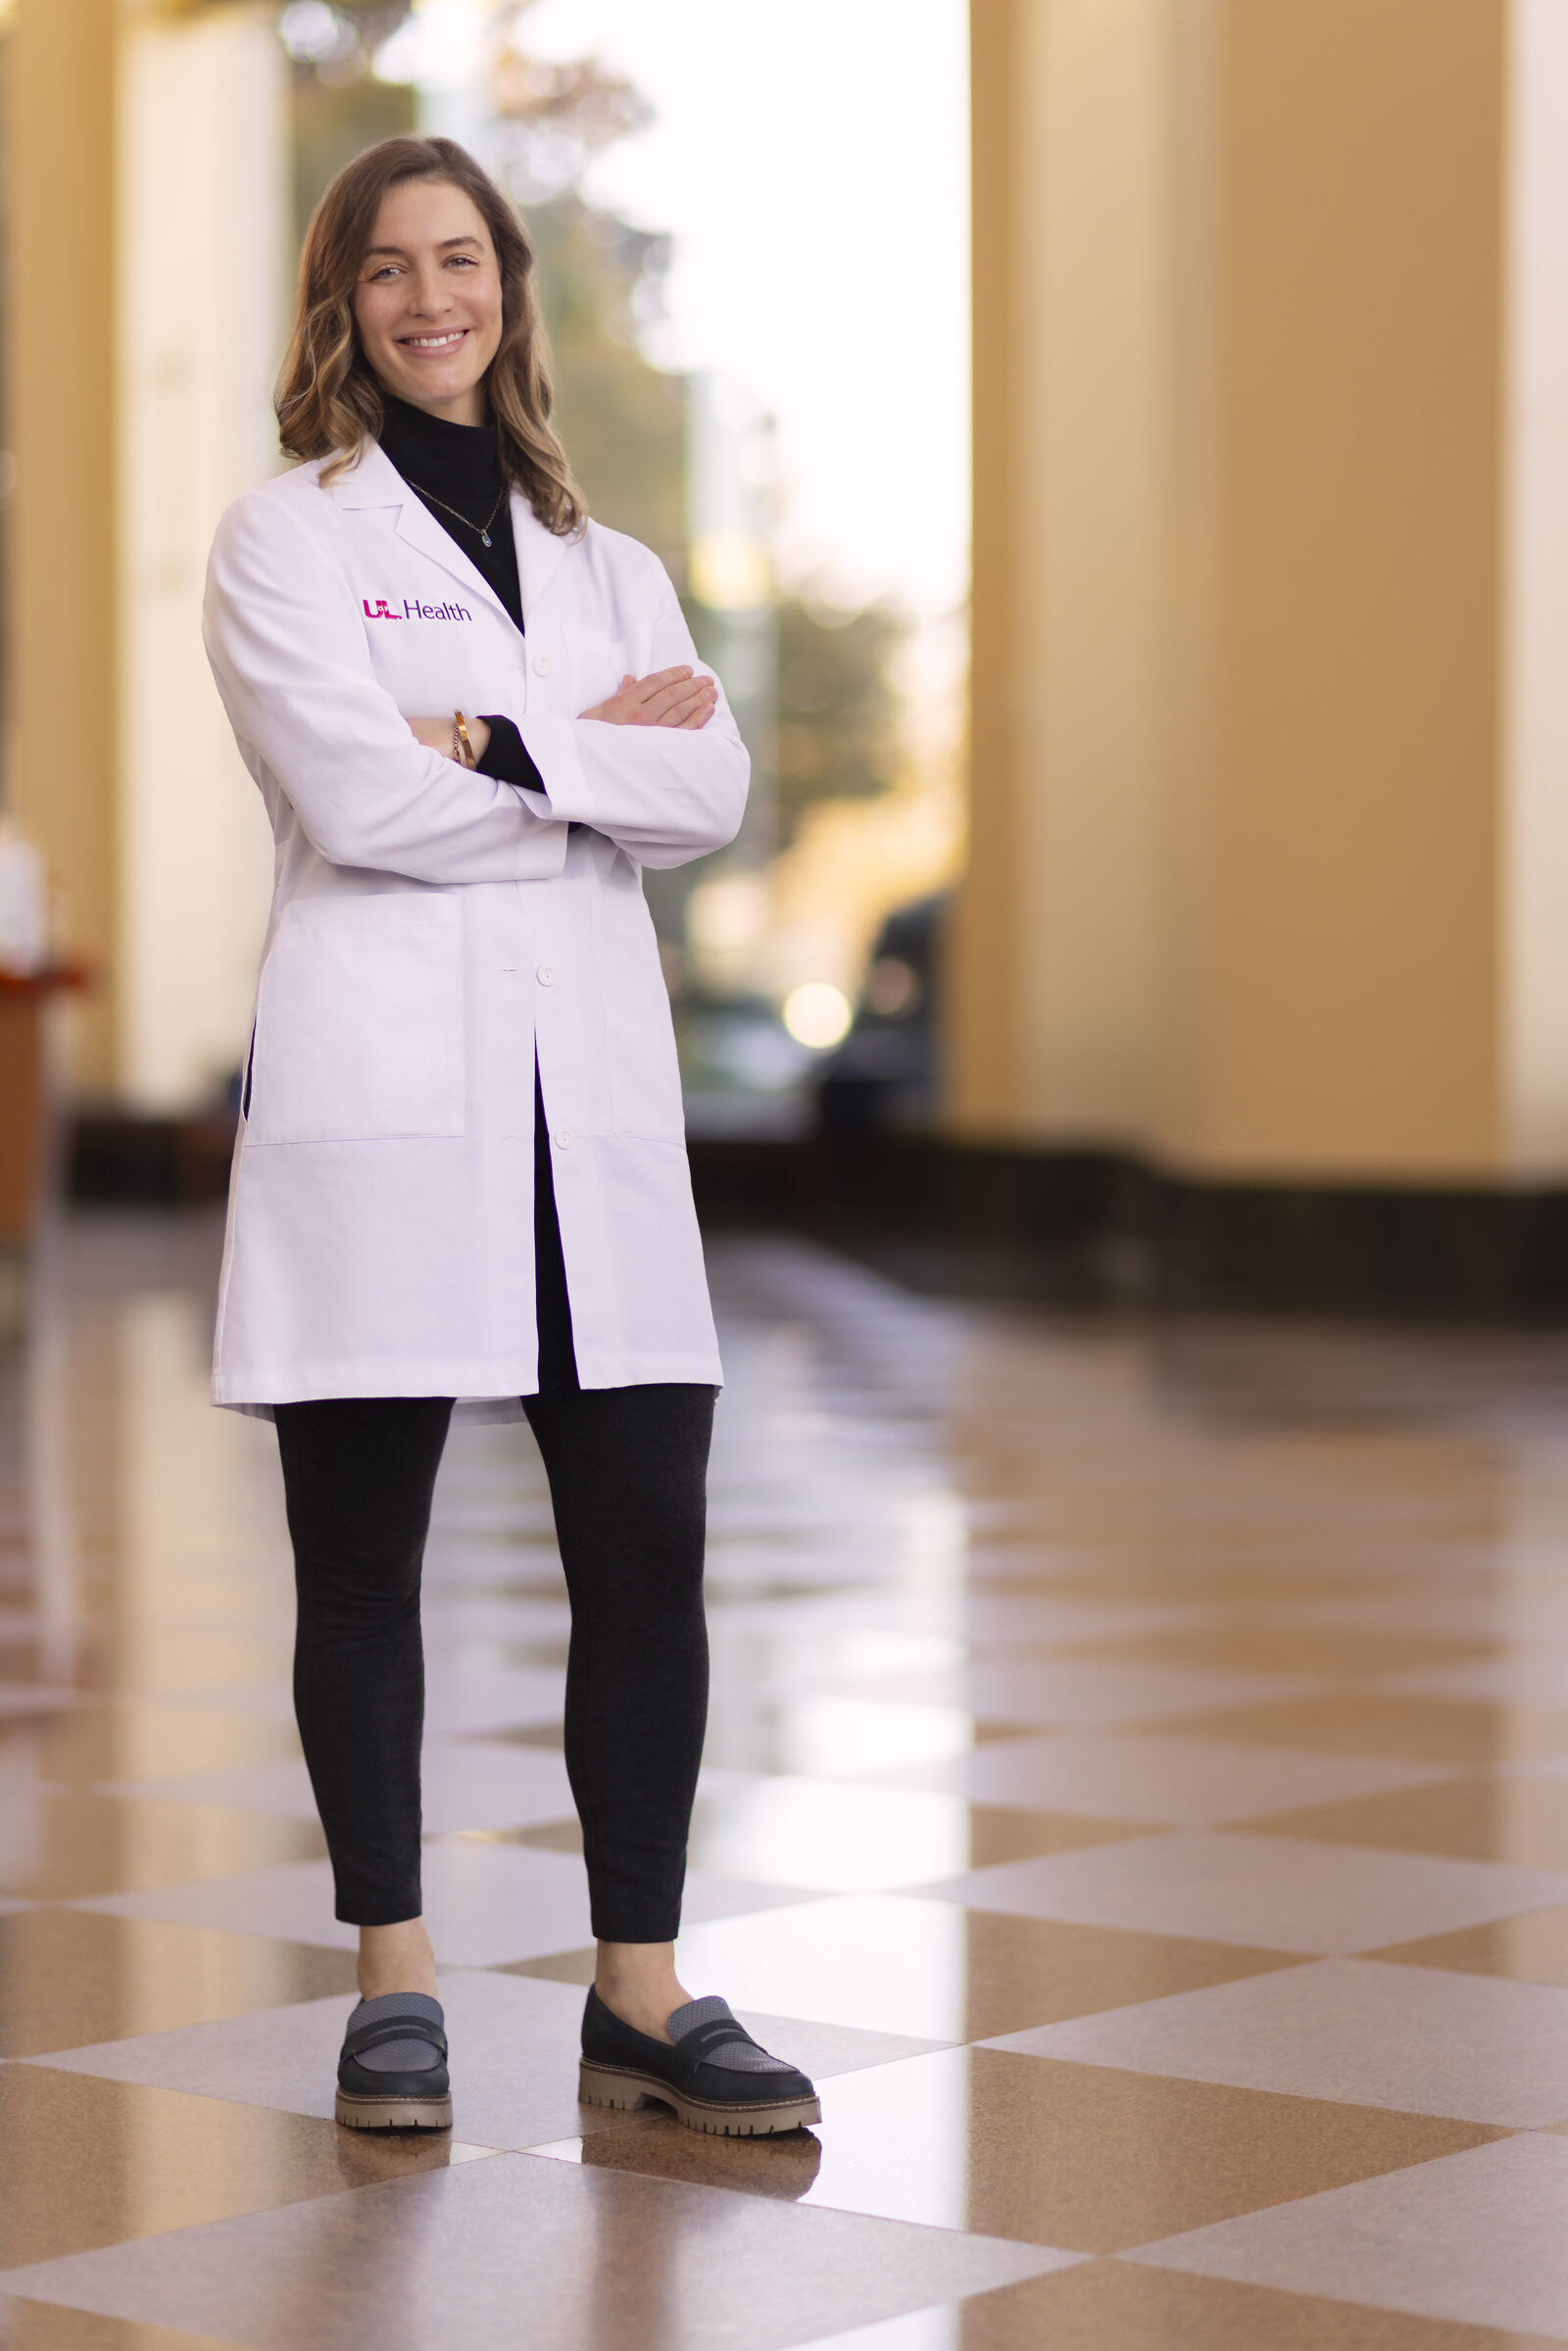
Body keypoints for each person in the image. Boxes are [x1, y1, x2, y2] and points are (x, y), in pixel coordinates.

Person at [203, 135, 819, 2139]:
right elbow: (360, 807)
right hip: (390, 1109)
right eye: (388, 268)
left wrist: (493, 739)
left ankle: (635, 1989)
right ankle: (394, 1975)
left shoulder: (606, 557)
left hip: (591, 1129)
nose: (427, 298)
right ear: (342, 299)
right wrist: (585, 771)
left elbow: (709, 784)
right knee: (361, 1565)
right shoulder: (284, 538)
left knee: (646, 1551)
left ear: (508, 287)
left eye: (459, 260)